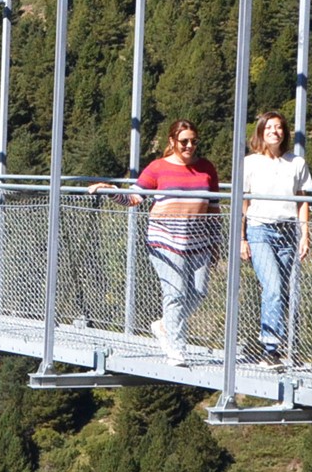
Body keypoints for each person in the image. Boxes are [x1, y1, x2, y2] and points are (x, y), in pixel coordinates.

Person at [94, 119, 221, 366]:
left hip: (199, 241)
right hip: (165, 241)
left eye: (194, 141)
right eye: (184, 141)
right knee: (175, 293)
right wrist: (110, 190)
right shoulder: (158, 167)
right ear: (172, 141)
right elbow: (134, 197)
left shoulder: (206, 168)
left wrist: (216, 243)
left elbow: (214, 209)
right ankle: (176, 348)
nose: (189, 146)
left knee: (199, 292)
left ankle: (164, 325)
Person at [240, 110, 312, 369]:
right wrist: (241, 238)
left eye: (279, 127)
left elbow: (302, 200)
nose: (274, 131)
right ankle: (270, 349)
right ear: (261, 131)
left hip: (287, 232)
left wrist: (305, 234)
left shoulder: (296, 163)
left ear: (285, 132)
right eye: (269, 127)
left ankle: (278, 346)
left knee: (281, 290)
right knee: (272, 287)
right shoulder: (250, 163)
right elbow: (243, 202)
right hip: (260, 229)